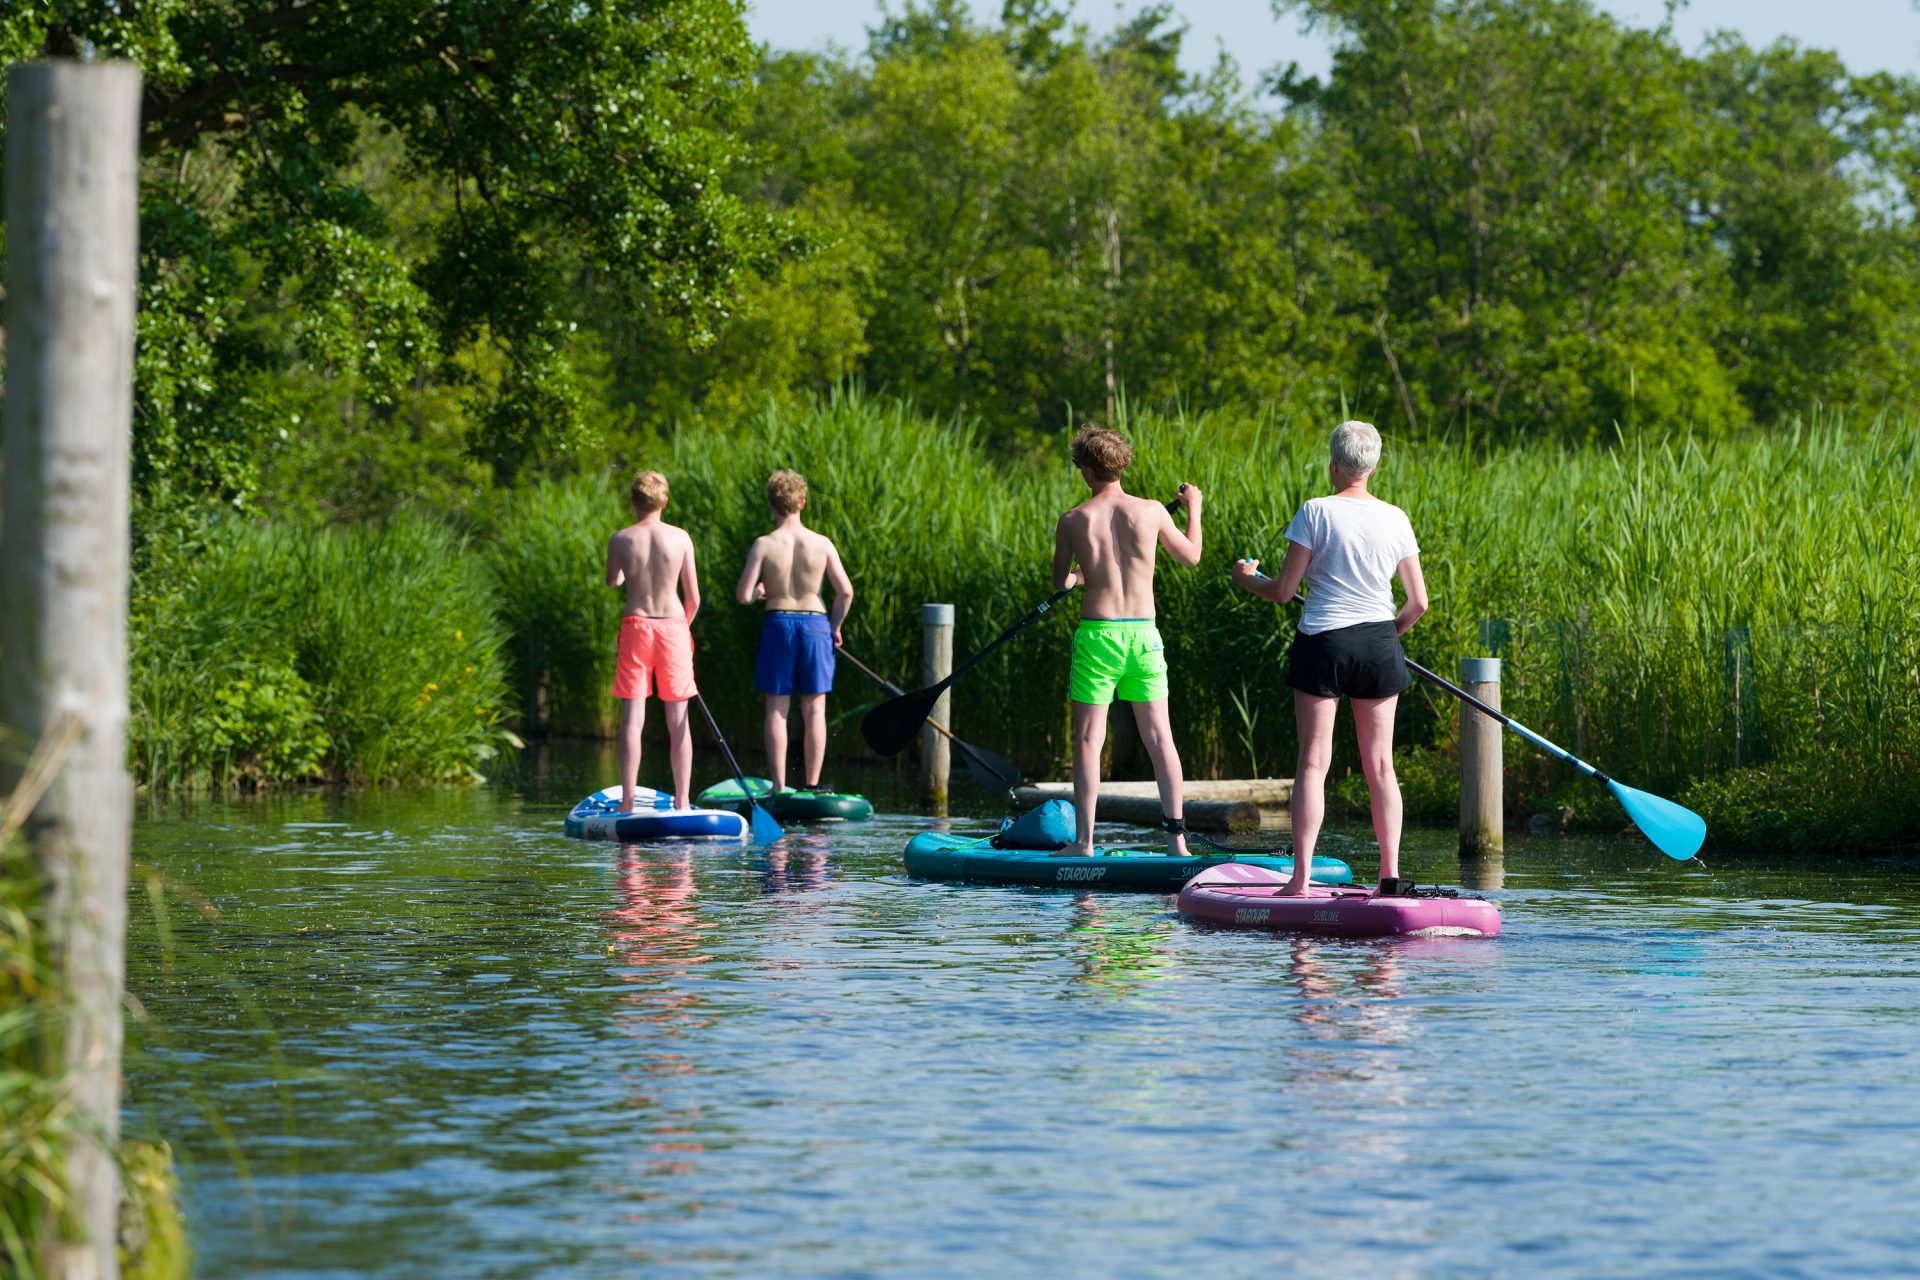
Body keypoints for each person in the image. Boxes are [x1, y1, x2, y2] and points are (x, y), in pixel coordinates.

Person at [1230, 420, 1428, 895]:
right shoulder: (1396, 517)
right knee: (1381, 767)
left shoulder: (1315, 511)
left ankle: (1299, 880)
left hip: (1324, 643)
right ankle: (1390, 877)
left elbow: (1282, 592)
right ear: (1374, 466)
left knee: (1314, 763)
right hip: (1380, 644)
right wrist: (1385, 637)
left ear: (1334, 464)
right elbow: (1418, 602)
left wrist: (1245, 578)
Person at [1051, 422, 1203, 857]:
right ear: (1121, 466)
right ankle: (1177, 844)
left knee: (1087, 739)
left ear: (1085, 468)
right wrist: (1193, 507)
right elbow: (1191, 556)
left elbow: (1060, 581)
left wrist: (1081, 576)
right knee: (1160, 738)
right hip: (1144, 635)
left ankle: (1084, 843)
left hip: (1098, 636)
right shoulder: (1153, 510)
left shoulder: (1073, 520)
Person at [735, 470, 853, 794]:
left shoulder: (764, 544)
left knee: (777, 709)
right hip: (816, 624)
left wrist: (762, 590)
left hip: (779, 622)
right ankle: (813, 785)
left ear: (772, 504)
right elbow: (846, 592)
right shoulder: (822, 543)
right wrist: (835, 628)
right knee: (815, 708)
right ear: (803, 502)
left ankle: (779, 786)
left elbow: (743, 596)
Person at [606, 470, 701, 813]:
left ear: (633, 502)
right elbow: (693, 598)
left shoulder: (620, 539)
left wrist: (622, 572)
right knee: (678, 720)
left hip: (637, 626)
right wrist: (682, 629)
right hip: (673, 625)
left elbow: (612, 581)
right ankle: (683, 800)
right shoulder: (681, 538)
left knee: (633, 717)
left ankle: (628, 801)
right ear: (665, 501)